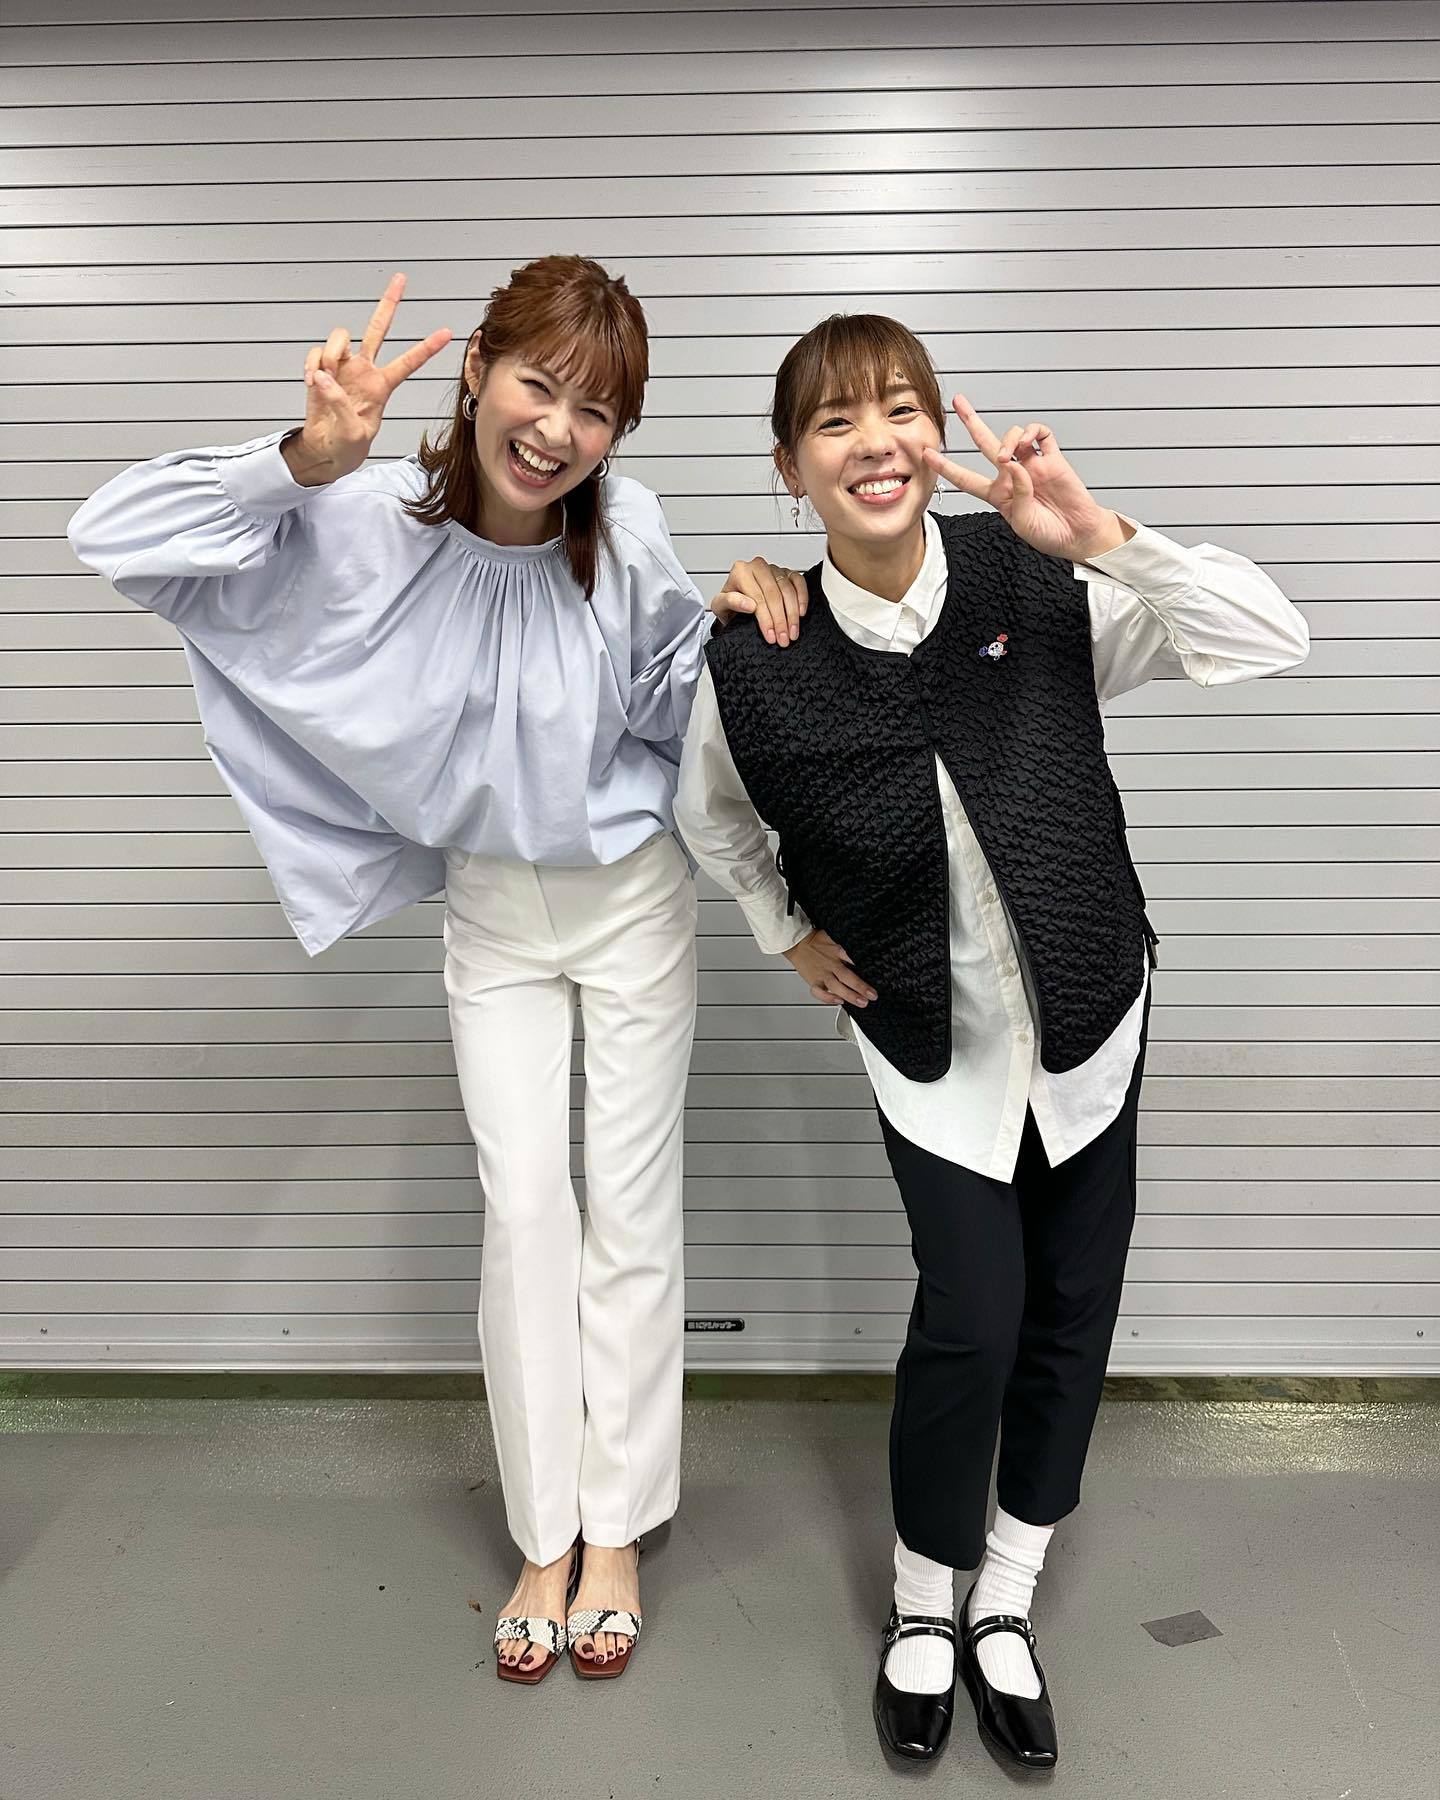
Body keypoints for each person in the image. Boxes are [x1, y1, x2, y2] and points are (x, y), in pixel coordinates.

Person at [65, 256, 805, 1688]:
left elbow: (672, 711)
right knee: (524, 1211)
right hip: (494, 911)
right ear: (475, 369)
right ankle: (543, 1533)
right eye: (540, 385)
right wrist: (300, 459)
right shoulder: (359, 515)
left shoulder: (628, 530)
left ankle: (615, 1532)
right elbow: (115, 534)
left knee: (630, 1211)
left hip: (632, 900)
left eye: (599, 411)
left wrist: (739, 615)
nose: (559, 431)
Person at [674, 312, 1309, 1768]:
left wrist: (1102, 535)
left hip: (1088, 1013)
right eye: (835, 420)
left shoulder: (1040, 576)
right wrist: (783, 930)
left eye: (900, 408)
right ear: (789, 467)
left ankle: (1007, 1596)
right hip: (929, 1043)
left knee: (1074, 1304)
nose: (876, 442)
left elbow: (1267, 636)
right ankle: (922, 1601)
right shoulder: (755, 651)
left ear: (932, 434)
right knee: (973, 1315)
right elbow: (713, 813)